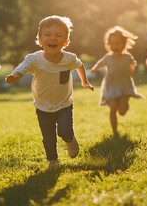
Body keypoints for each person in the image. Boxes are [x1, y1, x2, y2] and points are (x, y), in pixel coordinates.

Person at [5, 15, 94, 169]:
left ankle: (70, 139)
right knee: (48, 138)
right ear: (40, 40)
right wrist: (14, 77)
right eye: (47, 35)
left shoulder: (69, 58)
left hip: (64, 104)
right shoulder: (34, 59)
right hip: (42, 106)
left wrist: (84, 81)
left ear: (65, 42)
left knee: (64, 131)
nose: (53, 38)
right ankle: (53, 160)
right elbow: (20, 69)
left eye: (58, 35)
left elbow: (80, 65)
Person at [91, 26, 145, 137]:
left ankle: (125, 105)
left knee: (122, 111)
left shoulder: (127, 57)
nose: (114, 46)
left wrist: (131, 73)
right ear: (108, 45)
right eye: (112, 44)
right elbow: (100, 63)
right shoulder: (108, 57)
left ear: (124, 44)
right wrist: (94, 69)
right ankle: (115, 132)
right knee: (113, 108)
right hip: (111, 86)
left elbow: (132, 65)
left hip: (125, 86)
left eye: (117, 44)